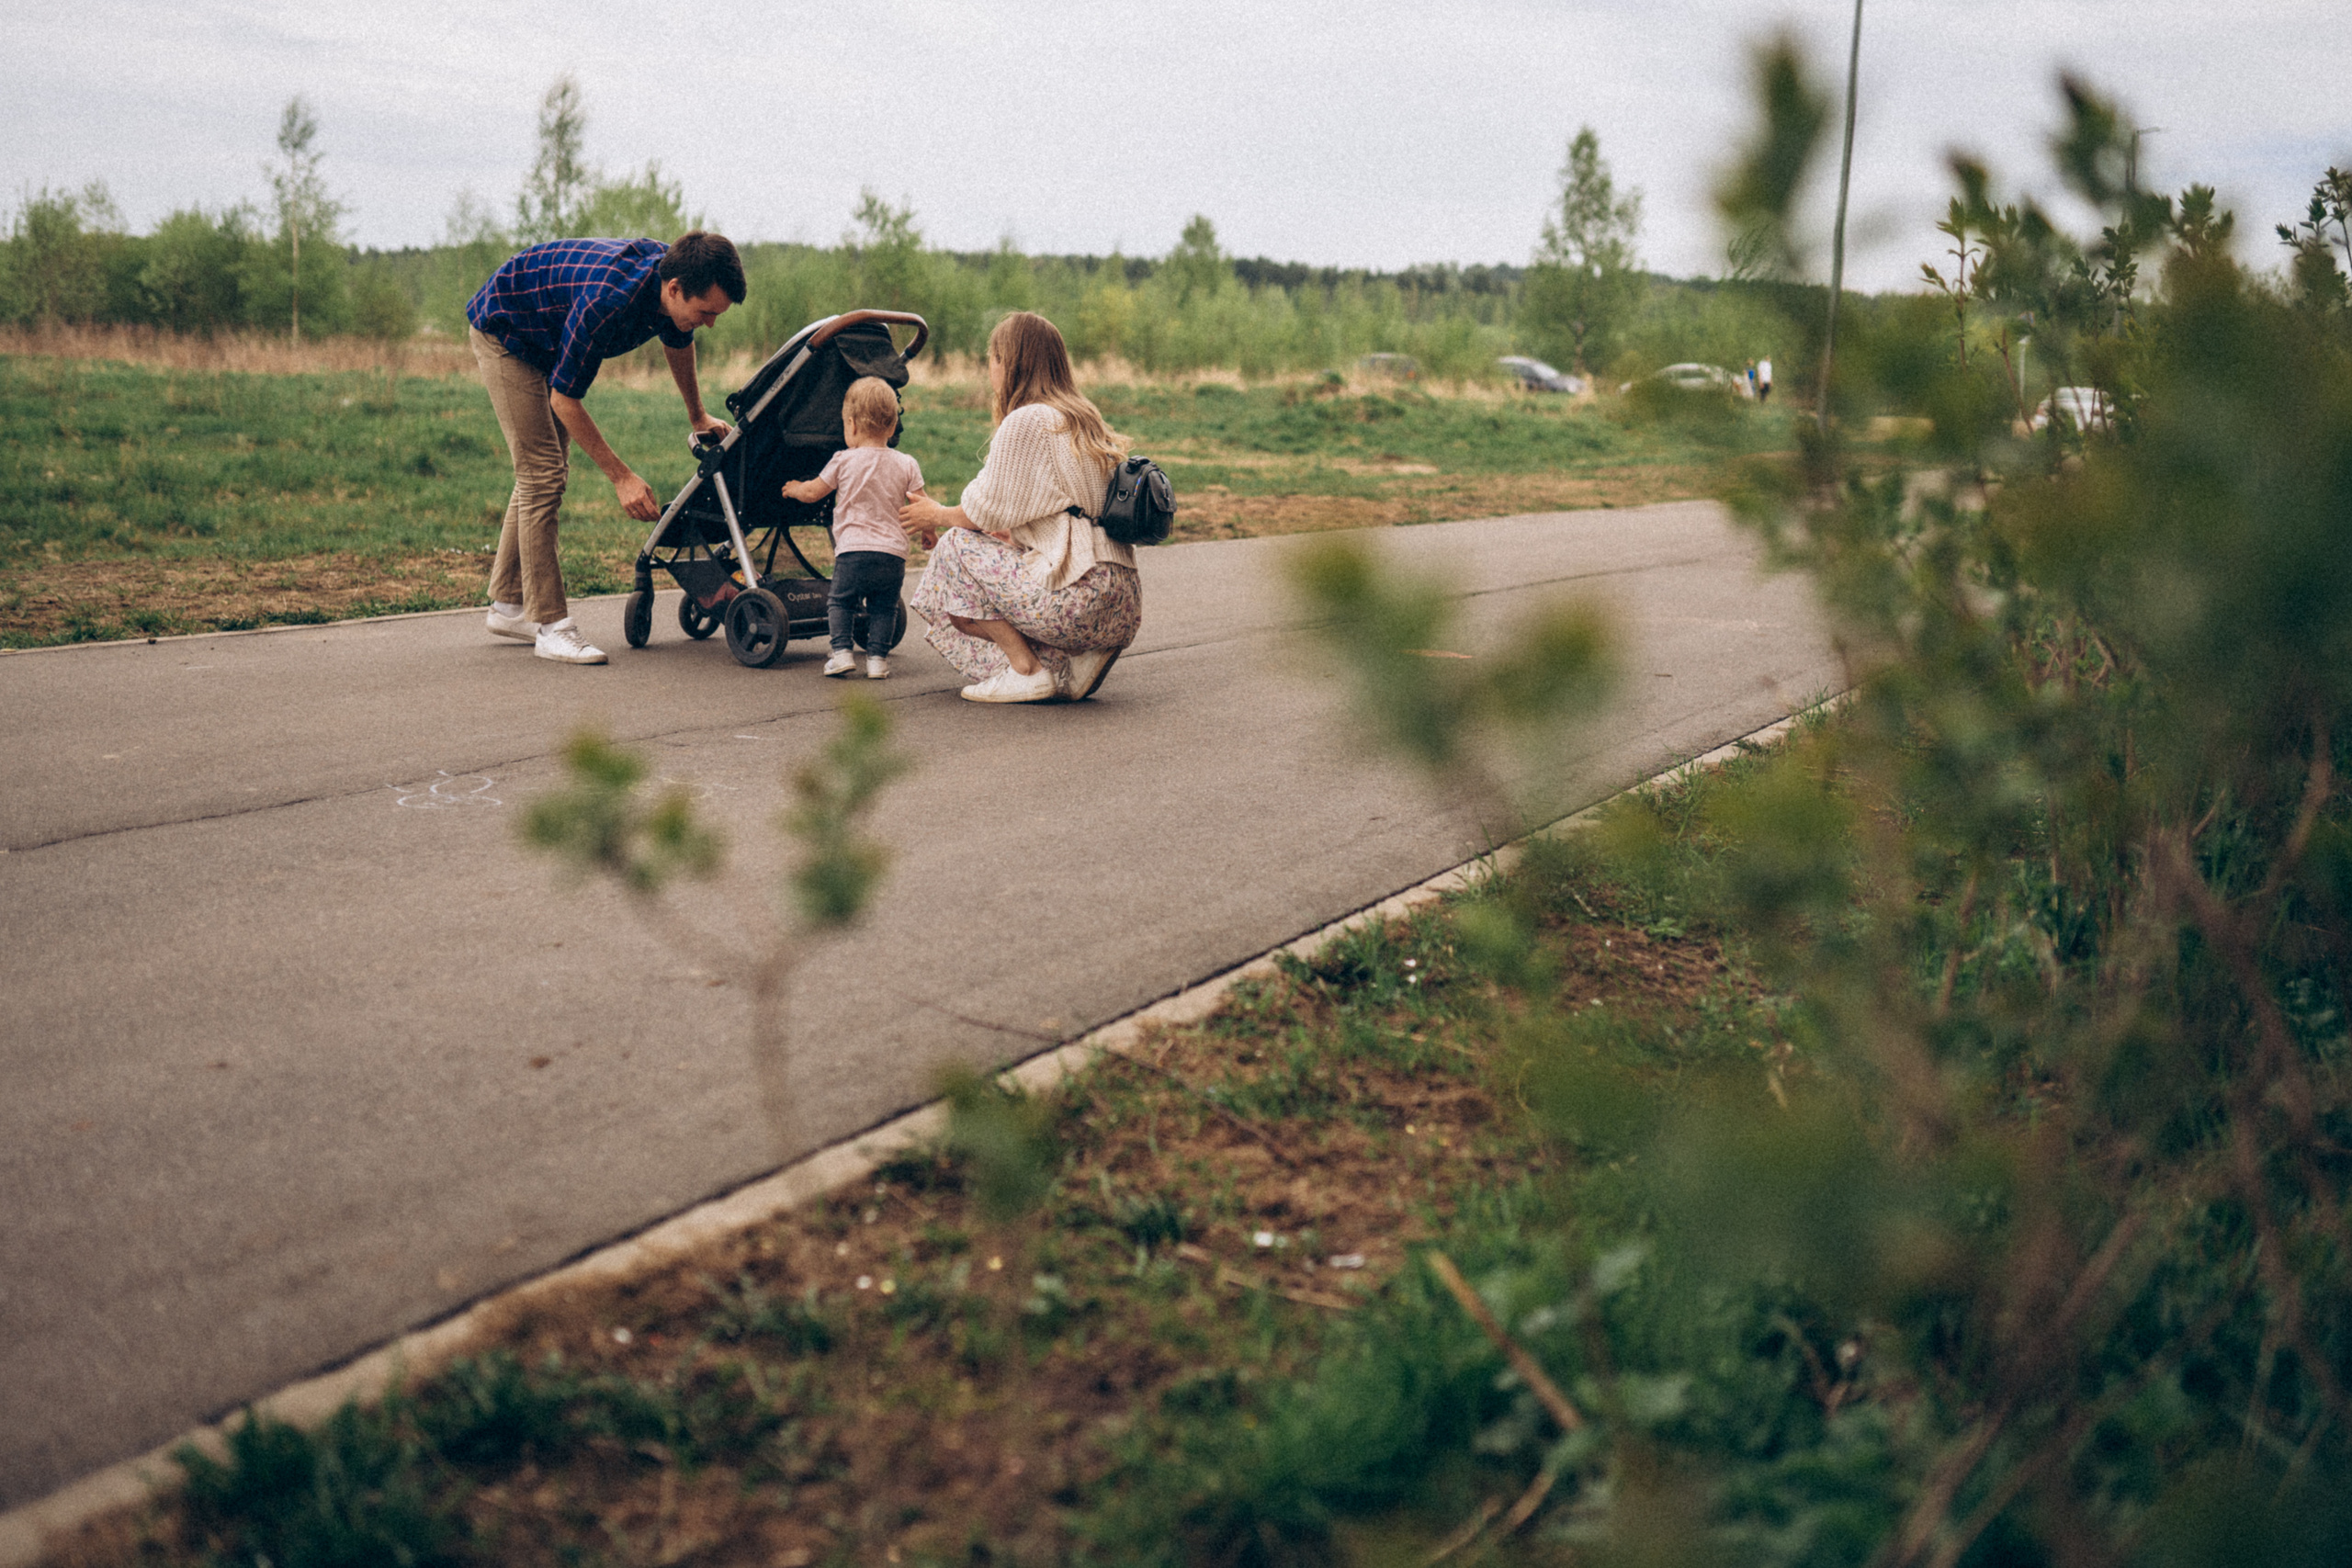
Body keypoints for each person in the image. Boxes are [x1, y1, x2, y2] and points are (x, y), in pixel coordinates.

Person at [465, 231, 746, 664]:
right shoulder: (607, 302)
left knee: (542, 473)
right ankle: (552, 627)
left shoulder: (669, 283)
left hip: (547, 330)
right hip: (508, 330)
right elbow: (564, 400)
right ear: (674, 290)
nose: (710, 323)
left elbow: (679, 340)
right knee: (542, 474)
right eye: (705, 312)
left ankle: (507, 606)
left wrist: (697, 416)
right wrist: (621, 476)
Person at [900, 311, 1140, 704]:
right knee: (992, 552)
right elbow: (1066, 512)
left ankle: (1026, 671)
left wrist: (935, 515)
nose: (989, 369)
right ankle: (1072, 661)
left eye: (993, 358)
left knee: (955, 547)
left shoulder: (1027, 420)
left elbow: (978, 511)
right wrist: (1012, 535)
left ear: (1012, 363)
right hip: (1121, 599)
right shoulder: (1084, 416)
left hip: (1077, 598)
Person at [782, 377, 923, 680]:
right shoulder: (907, 463)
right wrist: (930, 533)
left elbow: (812, 493)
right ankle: (877, 661)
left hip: (853, 552)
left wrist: (794, 488)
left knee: (840, 601)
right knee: (885, 608)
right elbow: (921, 505)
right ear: (892, 426)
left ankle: (842, 653)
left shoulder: (843, 461)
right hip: (892, 556)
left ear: (852, 425)